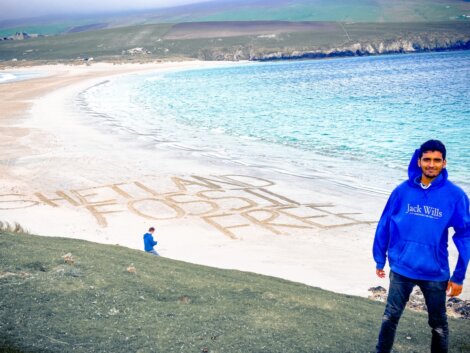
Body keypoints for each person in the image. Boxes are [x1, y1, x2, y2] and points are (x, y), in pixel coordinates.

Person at [373, 139, 470, 353]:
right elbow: (385, 223)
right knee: (389, 317)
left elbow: (465, 234)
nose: (431, 164)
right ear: (419, 161)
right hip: (401, 268)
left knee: (438, 326)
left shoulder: (455, 196)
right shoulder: (402, 191)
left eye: (437, 160)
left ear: (444, 163)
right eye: (427, 159)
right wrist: (380, 258)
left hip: (435, 273)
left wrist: (458, 275)